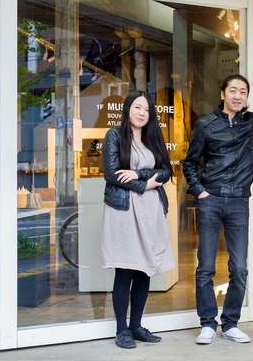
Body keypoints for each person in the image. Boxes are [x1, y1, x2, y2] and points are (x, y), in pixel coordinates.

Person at [183, 74, 253, 344]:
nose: (238, 95)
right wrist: (200, 191)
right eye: (233, 90)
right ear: (223, 95)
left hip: (239, 202)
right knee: (205, 267)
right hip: (211, 200)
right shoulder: (206, 125)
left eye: (243, 91)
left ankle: (230, 323)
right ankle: (207, 323)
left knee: (239, 267)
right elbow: (190, 163)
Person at [101, 90, 174, 349]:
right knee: (126, 268)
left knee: (146, 269)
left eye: (146, 109)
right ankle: (122, 330)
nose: (142, 113)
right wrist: (144, 185)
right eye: (137, 107)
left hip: (151, 210)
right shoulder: (114, 136)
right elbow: (111, 173)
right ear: (127, 110)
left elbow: (166, 170)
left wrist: (136, 173)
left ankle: (136, 326)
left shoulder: (154, 138)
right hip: (123, 210)